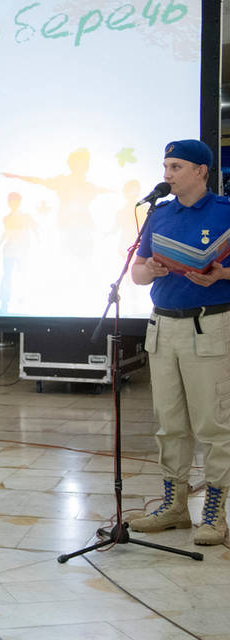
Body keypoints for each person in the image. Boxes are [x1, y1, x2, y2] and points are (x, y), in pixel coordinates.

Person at [128, 139, 230, 546]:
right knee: (170, 425)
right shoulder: (160, 214)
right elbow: (136, 273)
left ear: (201, 171)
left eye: (175, 167)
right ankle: (174, 507)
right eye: (165, 166)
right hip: (162, 329)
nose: (166, 174)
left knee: (212, 424)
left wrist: (220, 276)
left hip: (208, 327)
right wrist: (149, 269)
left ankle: (214, 513)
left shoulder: (225, 212)